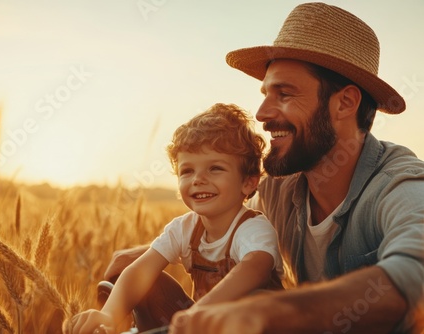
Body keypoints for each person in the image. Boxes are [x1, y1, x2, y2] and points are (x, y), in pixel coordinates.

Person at [103, 3, 424, 333]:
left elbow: (417, 276)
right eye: (266, 93)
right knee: (128, 265)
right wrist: (148, 256)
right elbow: (227, 230)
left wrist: (272, 312)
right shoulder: (276, 190)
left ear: (345, 103)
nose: (262, 113)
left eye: (284, 94)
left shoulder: (401, 185)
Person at [69, 103, 283, 334]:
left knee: (258, 299)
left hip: (249, 326)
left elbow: (255, 268)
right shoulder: (184, 228)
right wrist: (108, 314)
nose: (198, 179)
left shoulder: (252, 228)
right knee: (149, 281)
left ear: (248, 182)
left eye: (215, 168)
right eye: (187, 171)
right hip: (197, 326)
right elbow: (141, 270)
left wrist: (198, 313)